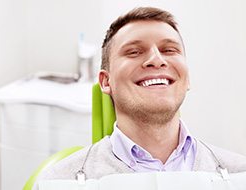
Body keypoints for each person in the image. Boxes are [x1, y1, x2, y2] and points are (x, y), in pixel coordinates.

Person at [33, 6, 246, 189]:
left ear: (187, 78)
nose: (156, 59)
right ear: (106, 82)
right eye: (134, 52)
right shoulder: (59, 181)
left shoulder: (239, 174)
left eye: (169, 50)